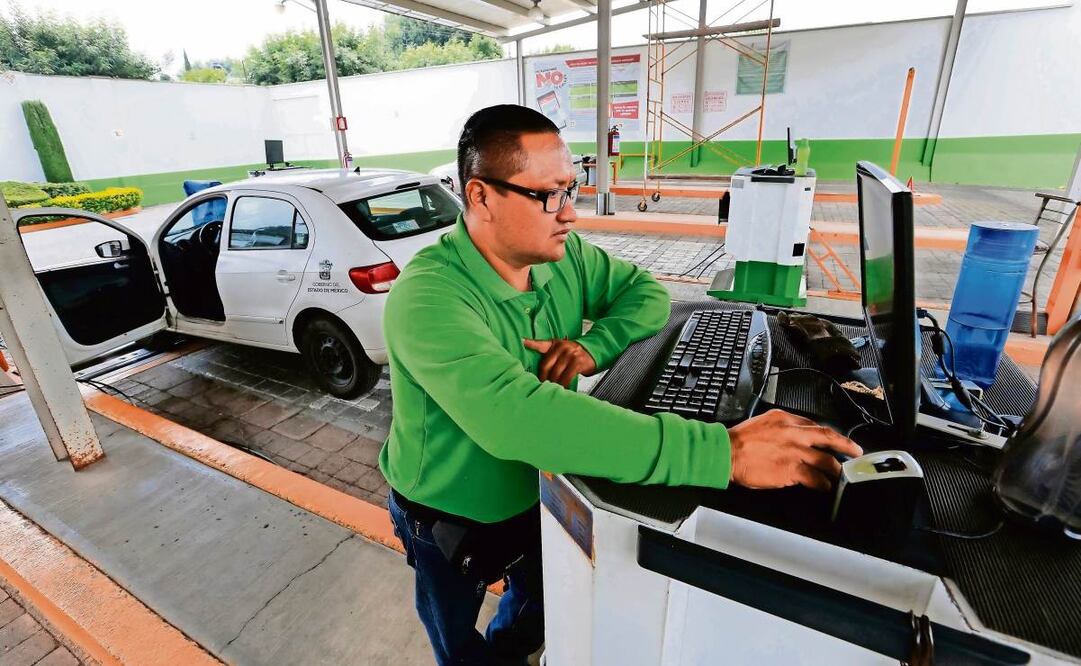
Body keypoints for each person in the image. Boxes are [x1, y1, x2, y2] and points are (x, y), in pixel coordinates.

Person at [379, 104, 862, 666]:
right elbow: (518, 419)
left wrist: (592, 347)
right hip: (446, 513)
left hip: (542, 488)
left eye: (571, 190)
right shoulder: (428, 296)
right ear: (481, 196)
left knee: (535, 608)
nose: (570, 214)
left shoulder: (562, 258)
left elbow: (647, 294)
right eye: (548, 195)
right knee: (456, 637)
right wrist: (721, 451)